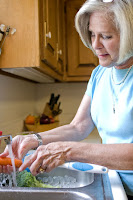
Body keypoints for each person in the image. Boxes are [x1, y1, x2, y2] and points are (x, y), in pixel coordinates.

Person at [0, 0, 133, 198]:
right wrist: (34, 139)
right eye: (92, 34)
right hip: (114, 182)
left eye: (106, 36)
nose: (95, 45)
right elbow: (78, 127)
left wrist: (68, 150)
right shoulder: (99, 75)